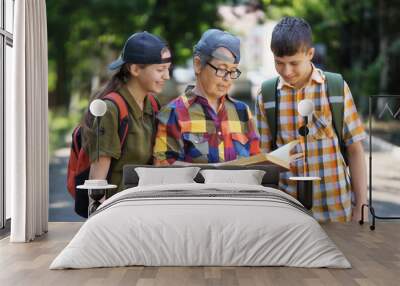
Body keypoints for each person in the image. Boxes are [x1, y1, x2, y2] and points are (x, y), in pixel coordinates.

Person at [255, 17, 368, 222]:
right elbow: (264, 160)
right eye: (279, 63)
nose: (286, 71)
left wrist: (361, 205)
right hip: (287, 215)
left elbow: (355, 150)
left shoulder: (335, 88)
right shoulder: (266, 96)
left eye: (294, 63)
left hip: (336, 211)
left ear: (310, 54)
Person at [82, 31, 171, 196]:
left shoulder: (153, 104)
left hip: (145, 204)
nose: (167, 76)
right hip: (118, 209)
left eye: (168, 69)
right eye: (160, 69)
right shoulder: (110, 109)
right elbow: (97, 179)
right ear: (135, 69)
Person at [153, 29, 260, 165]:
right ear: (198, 65)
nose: (228, 78)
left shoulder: (243, 112)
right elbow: (163, 166)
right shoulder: (173, 113)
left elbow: (255, 161)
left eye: (233, 71)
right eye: (221, 69)